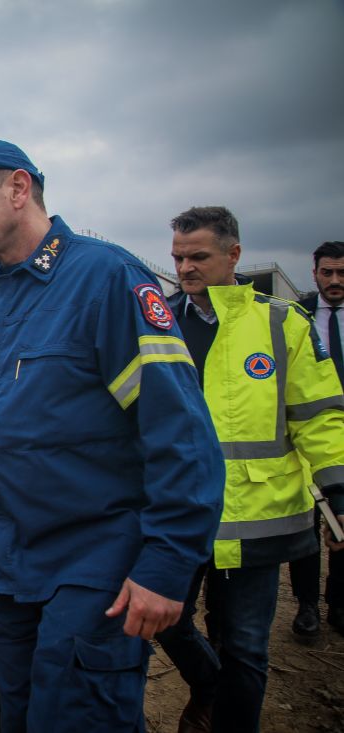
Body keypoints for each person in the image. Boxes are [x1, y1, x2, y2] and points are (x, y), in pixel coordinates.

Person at [0, 140, 226, 732]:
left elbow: (180, 433)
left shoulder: (105, 278)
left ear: (19, 188)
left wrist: (166, 564)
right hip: (7, 571)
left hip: (94, 566)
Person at [158, 209, 344, 733]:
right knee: (166, 620)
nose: (185, 268)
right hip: (181, 512)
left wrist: (339, 488)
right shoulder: (160, 323)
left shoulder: (283, 322)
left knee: (245, 646)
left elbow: (319, 415)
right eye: (177, 258)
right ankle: (210, 687)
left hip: (259, 514)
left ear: (233, 255)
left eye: (198, 256)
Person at [289, 240, 344, 639]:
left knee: (341, 519)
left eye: (341, 273)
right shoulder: (298, 314)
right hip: (313, 423)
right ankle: (307, 606)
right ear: (315, 274)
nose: (335, 280)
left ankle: (338, 603)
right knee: (308, 522)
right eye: (328, 272)